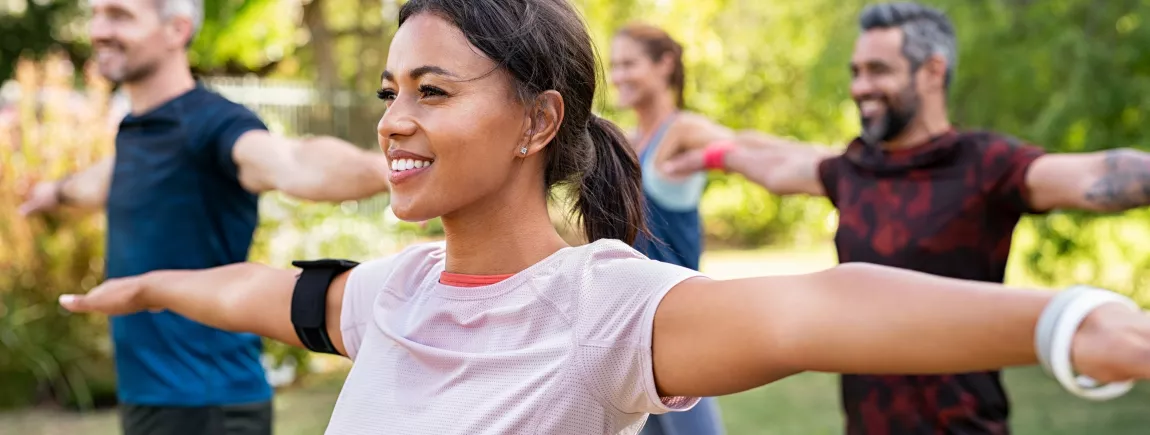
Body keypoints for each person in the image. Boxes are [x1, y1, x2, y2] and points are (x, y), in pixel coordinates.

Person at [57, 1, 1150, 434]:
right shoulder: (393, 294)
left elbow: (825, 304)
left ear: (538, 120)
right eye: (391, 90)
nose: (394, 119)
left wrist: (1065, 322)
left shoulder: (603, 305)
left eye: (431, 92)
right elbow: (266, 294)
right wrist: (149, 285)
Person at [663, 2, 1150, 434]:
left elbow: (1096, 174)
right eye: (856, 71)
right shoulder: (852, 168)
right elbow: (778, 165)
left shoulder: (986, 164)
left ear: (932, 71)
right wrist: (708, 155)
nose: (860, 87)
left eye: (878, 70)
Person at [18, 0, 391, 434]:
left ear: (177, 29)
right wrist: (51, 193)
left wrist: (385, 170)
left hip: (208, 405)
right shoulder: (139, 132)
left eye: (119, 15)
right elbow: (101, 181)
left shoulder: (213, 124)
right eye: (96, 14)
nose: (98, 30)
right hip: (148, 399)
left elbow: (292, 160)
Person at [608, 23, 731, 435]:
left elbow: (742, 147)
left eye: (629, 63)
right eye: (615, 65)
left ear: (664, 65)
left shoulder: (683, 132)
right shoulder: (627, 142)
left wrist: (711, 159)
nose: (619, 75)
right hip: (628, 332)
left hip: (679, 330)